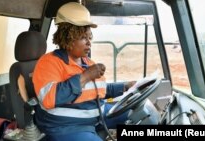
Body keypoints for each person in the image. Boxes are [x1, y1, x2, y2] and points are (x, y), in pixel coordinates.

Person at [32, 2, 135, 141]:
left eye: (89, 37)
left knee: (139, 114)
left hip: (97, 117)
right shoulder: (48, 62)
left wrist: (126, 86)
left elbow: (99, 89)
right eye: (83, 38)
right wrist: (86, 76)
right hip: (67, 127)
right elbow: (49, 98)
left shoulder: (87, 62)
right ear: (67, 37)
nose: (89, 43)